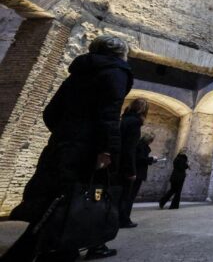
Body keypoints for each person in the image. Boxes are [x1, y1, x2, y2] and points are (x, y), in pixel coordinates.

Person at [1, 35, 133, 262]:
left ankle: (62, 248)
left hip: (62, 145)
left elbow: (50, 112)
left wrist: (67, 134)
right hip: (88, 150)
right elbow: (109, 115)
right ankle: (38, 252)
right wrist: (107, 150)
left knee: (56, 199)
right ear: (121, 53)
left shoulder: (78, 73)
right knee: (75, 200)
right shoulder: (116, 72)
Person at [118, 98, 150, 228]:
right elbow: (129, 149)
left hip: (117, 164)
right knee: (125, 197)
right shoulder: (135, 123)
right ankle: (121, 220)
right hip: (124, 167)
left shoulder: (124, 119)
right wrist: (131, 171)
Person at [130, 134, 157, 210]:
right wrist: (151, 159)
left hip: (137, 172)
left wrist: (151, 160)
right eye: (151, 141)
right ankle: (124, 217)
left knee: (131, 195)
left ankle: (125, 217)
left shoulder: (141, 145)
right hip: (137, 173)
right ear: (149, 140)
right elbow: (140, 159)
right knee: (131, 196)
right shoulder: (141, 146)